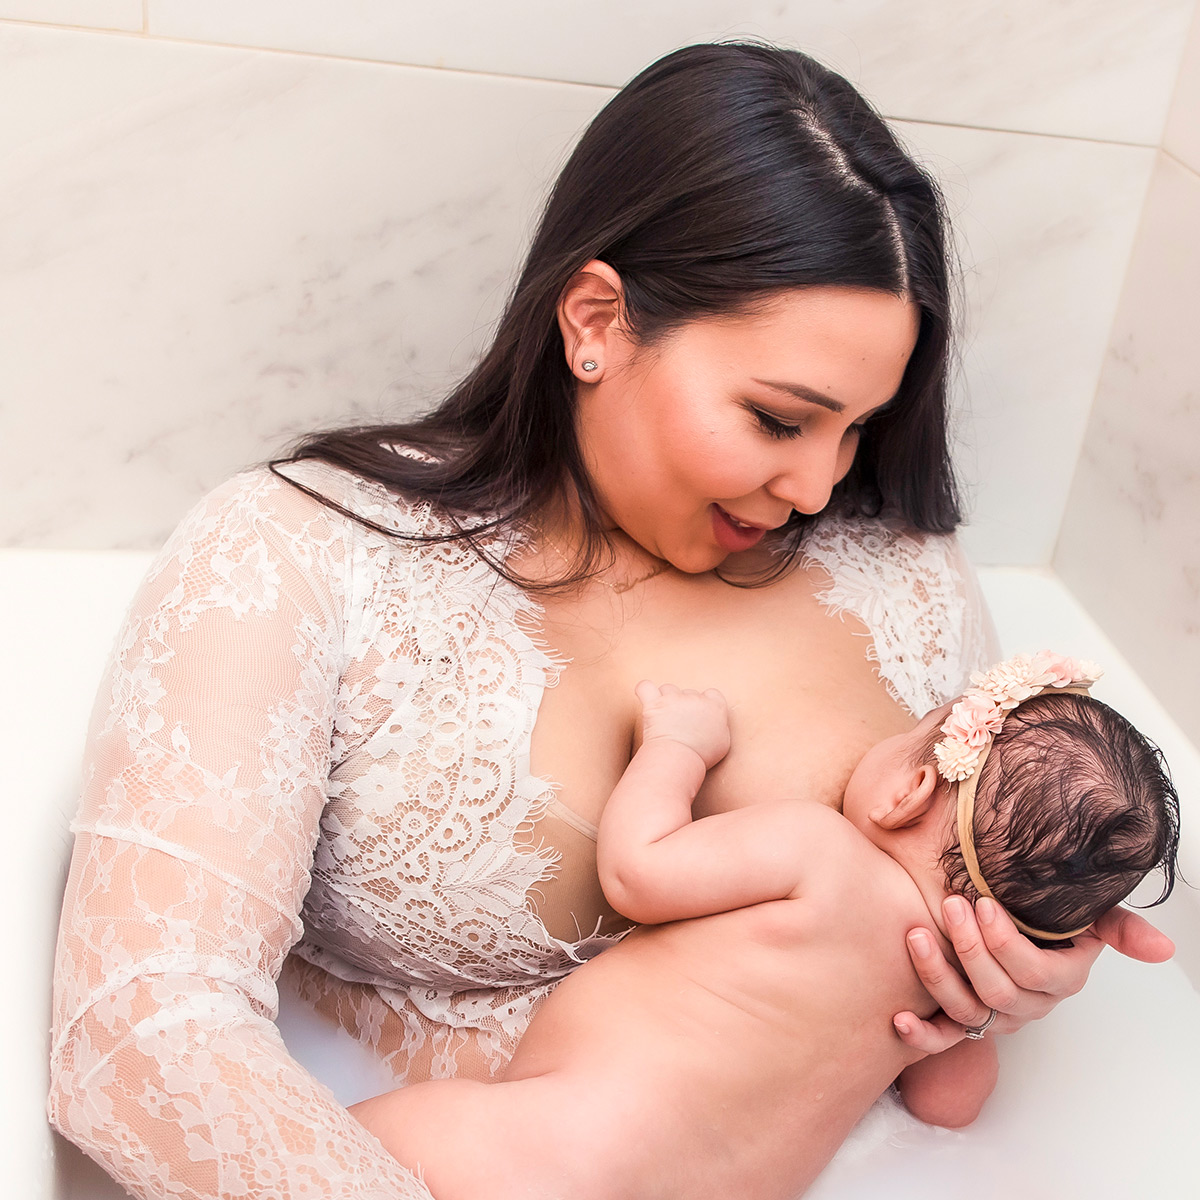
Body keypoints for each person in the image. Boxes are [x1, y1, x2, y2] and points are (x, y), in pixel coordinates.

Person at [48, 43, 1171, 1200]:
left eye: (859, 431)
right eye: (781, 418)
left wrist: (1004, 986)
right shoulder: (298, 556)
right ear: (595, 321)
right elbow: (136, 1035)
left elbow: (932, 983)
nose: (820, 488)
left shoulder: (904, 576)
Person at [348, 658, 1180, 1200]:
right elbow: (950, 1110)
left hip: (545, 1160)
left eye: (909, 729)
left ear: (912, 788)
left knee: (306, 1153)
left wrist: (676, 748)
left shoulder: (820, 851)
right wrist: (978, 1022)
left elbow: (639, 872)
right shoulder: (948, 994)